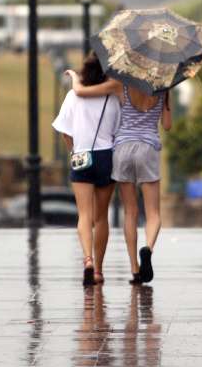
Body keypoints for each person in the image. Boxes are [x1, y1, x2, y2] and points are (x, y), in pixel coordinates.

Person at [65, 70, 171, 285]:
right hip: (148, 149)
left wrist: (75, 77)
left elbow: (81, 92)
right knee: (153, 214)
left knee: (130, 212)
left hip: (122, 150)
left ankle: (134, 269)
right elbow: (167, 125)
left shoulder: (120, 85)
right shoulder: (164, 88)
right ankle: (148, 248)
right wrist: (166, 98)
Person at [53, 52, 121, 286]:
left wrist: (73, 151)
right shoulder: (111, 98)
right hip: (105, 157)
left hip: (81, 155)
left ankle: (88, 260)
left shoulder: (73, 96)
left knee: (84, 215)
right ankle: (100, 271)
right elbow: (117, 131)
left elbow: (64, 130)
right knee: (101, 217)